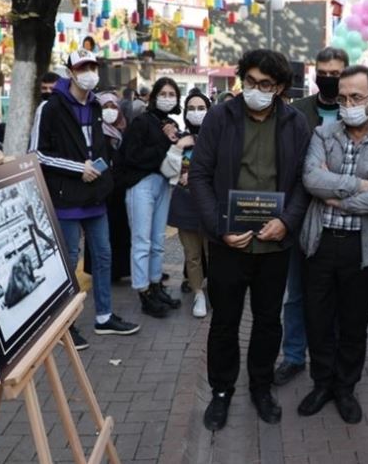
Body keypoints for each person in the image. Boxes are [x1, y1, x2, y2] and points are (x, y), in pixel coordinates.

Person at [190, 49, 311, 431]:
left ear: (279, 88)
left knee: (267, 320)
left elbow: (302, 184)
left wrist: (287, 224)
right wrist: (219, 227)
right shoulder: (220, 117)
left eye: (267, 85)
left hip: (274, 244)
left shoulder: (294, 123)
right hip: (230, 242)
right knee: (224, 321)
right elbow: (200, 177)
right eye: (251, 82)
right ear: (242, 78)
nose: (257, 90)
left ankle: (261, 386)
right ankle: (221, 391)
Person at [298, 65, 368, 424]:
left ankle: (345, 388)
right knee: (318, 319)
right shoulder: (322, 134)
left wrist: (337, 194)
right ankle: (322, 383)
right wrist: (358, 186)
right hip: (320, 242)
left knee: (354, 323)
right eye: (343, 98)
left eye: (356, 97)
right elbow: (312, 179)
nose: (348, 104)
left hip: (363, 249)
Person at [30, 49, 140, 351]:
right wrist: (80, 169)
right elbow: (37, 154)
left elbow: (97, 148)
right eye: (83, 67)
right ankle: (66, 324)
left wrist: (104, 173)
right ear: (70, 72)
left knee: (103, 256)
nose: (89, 72)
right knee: (68, 260)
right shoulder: (50, 108)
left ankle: (104, 316)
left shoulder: (94, 106)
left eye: (93, 66)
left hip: (95, 197)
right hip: (66, 198)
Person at [274, 46, 348, 387]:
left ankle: (331, 357)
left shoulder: (357, 110)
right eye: (324, 73)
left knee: (335, 295)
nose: (329, 79)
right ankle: (293, 355)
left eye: (336, 73)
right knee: (297, 294)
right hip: (301, 216)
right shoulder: (298, 112)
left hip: (343, 219)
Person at [118, 77, 189, 318]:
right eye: (164, 93)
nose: (168, 98)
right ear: (154, 95)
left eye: (172, 94)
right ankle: (143, 290)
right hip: (141, 184)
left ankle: (156, 284)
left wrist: (173, 140)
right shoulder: (141, 122)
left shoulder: (169, 124)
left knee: (158, 240)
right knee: (142, 241)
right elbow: (132, 156)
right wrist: (165, 143)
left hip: (163, 185)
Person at [168, 89, 212, 318]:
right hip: (185, 204)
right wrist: (176, 148)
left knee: (214, 253)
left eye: (201, 108)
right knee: (192, 255)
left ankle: (216, 291)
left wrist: (194, 174)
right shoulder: (180, 139)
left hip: (211, 205)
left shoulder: (218, 137)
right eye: (192, 109)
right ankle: (198, 294)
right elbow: (167, 170)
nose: (196, 113)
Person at [83, 92, 131, 281]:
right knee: (101, 234)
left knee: (119, 231)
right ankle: (101, 270)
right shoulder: (94, 130)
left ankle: (118, 270)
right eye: (105, 107)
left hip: (118, 191)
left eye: (113, 107)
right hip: (101, 190)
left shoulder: (121, 130)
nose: (110, 111)